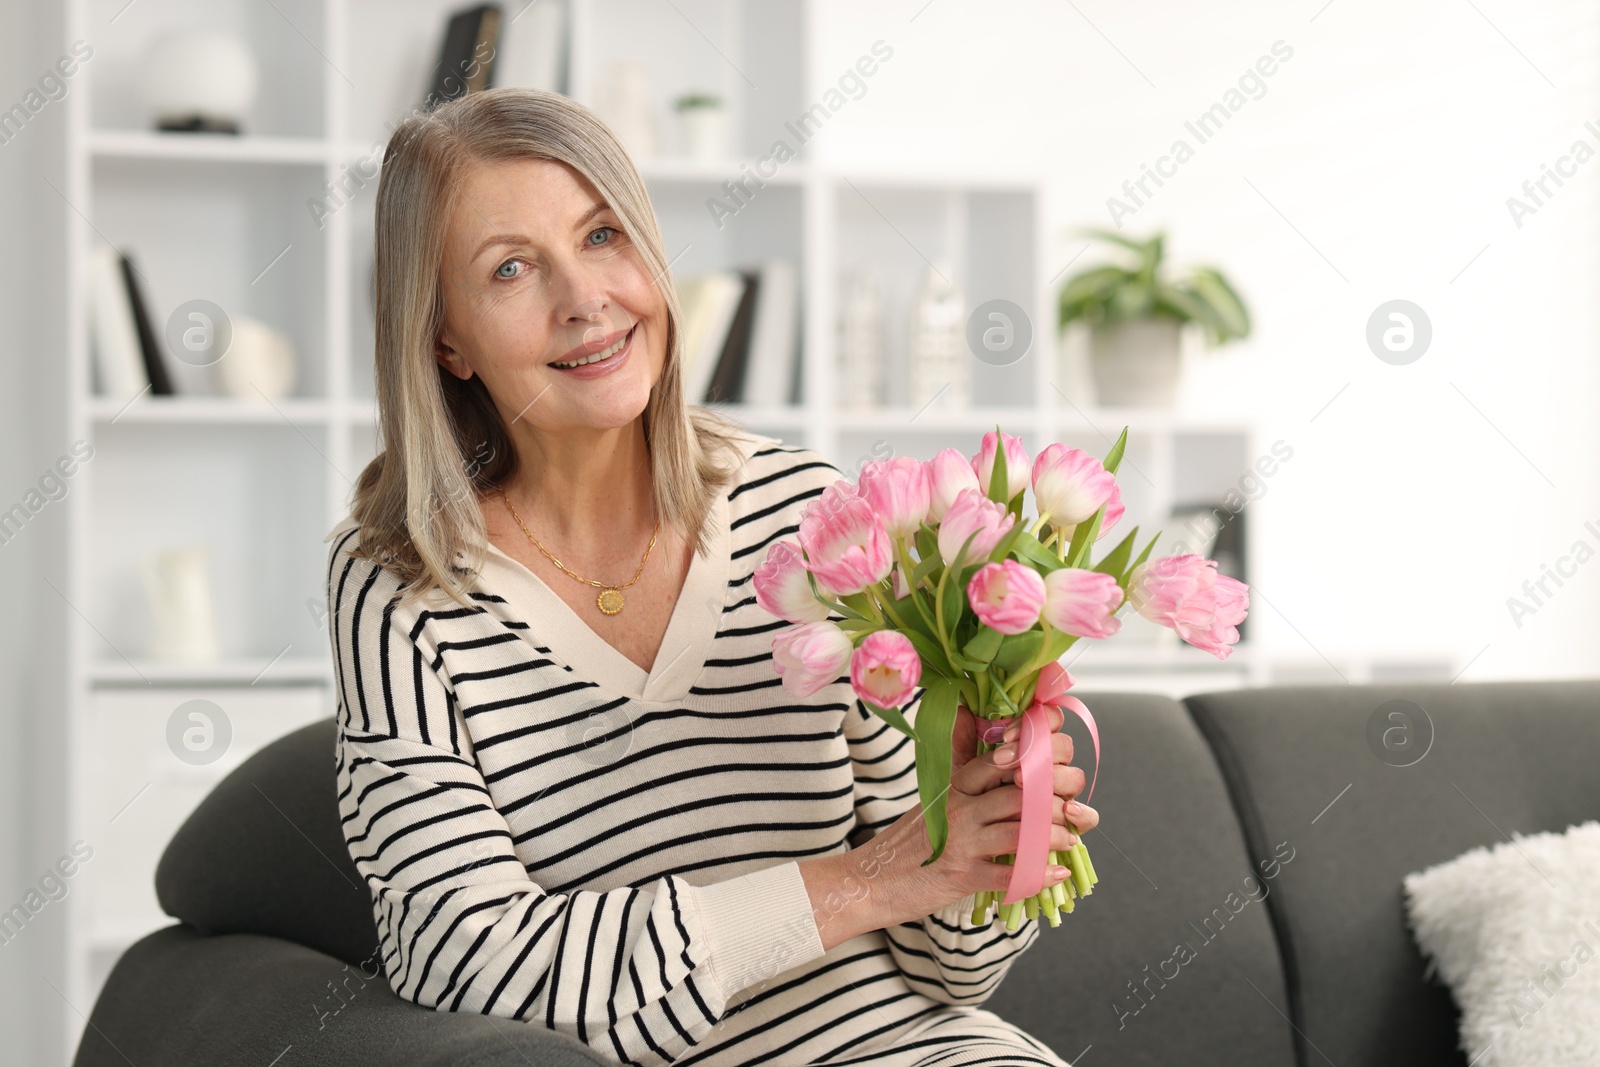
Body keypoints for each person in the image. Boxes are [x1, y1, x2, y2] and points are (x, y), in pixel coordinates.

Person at [326, 86, 1097, 1067]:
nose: (584, 297)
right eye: (511, 268)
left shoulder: (815, 517)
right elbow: (465, 956)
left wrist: (994, 841)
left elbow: (950, 967)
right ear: (445, 339)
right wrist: (860, 883)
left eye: (603, 234)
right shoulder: (400, 588)